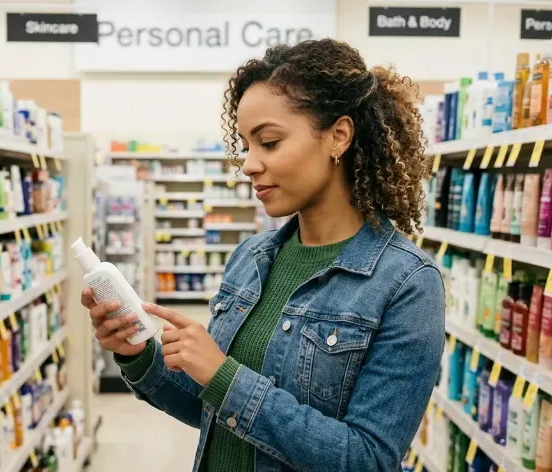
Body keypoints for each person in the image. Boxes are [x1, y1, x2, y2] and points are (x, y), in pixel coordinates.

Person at [81, 38, 444, 472]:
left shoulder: (406, 283)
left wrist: (225, 378)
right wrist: (137, 353)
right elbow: (215, 413)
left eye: (268, 143)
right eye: (245, 145)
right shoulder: (251, 258)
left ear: (339, 136)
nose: (249, 164)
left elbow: (367, 458)